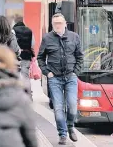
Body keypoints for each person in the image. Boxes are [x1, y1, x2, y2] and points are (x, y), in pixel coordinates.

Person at [37, 13, 83, 145]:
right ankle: (62, 134)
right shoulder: (47, 38)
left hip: (70, 77)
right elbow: (40, 57)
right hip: (54, 78)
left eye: (60, 23)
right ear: (52, 25)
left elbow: (80, 56)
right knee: (58, 108)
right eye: (55, 23)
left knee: (72, 105)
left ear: (65, 24)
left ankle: (70, 126)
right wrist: (47, 72)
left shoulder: (74, 37)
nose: (57, 25)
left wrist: (75, 72)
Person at [12, 16, 35, 98]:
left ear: (15, 22)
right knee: (25, 76)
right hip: (26, 56)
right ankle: (28, 95)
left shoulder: (13, 31)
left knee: (16, 76)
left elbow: (13, 44)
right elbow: (32, 44)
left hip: (15, 57)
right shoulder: (29, 30)